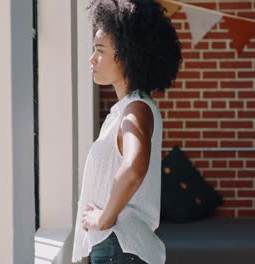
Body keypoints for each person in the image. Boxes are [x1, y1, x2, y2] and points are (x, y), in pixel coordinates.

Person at [71, 0, 182, 263]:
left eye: (100, 50)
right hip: (115, 248)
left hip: (118, 247)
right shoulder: (125, 110)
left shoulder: (136, 109)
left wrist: (103, 217)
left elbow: (133, 169)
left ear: (128, 56)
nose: (92, 58)